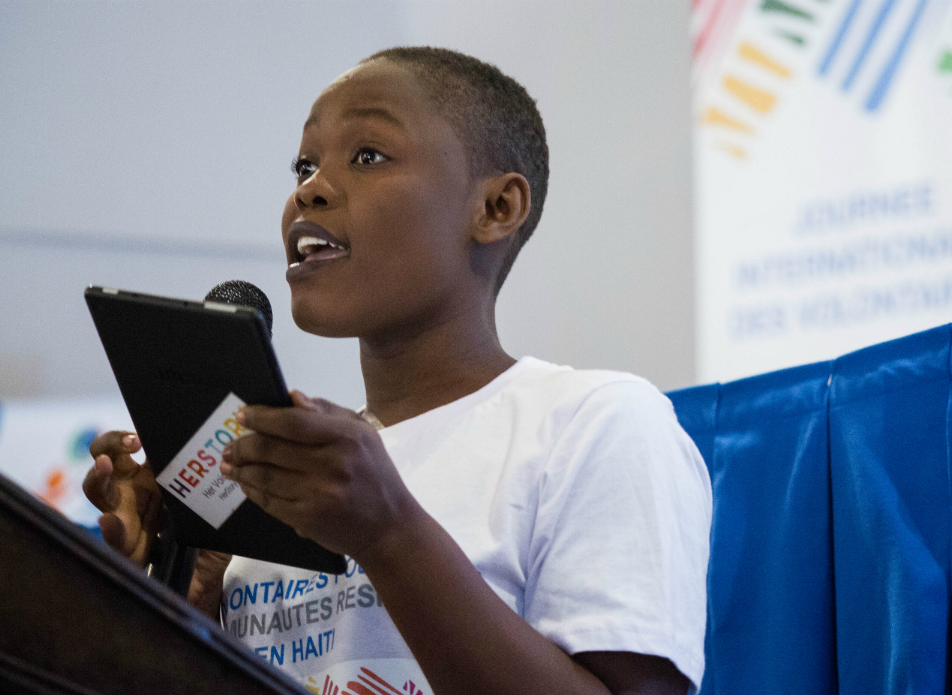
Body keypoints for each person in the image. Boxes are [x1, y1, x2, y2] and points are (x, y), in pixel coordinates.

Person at [84, 46, 711, 695]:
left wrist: (390, 534)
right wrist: (186, 599)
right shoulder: (285, 476)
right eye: (304, 164)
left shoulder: (594, 423)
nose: (309, 189)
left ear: (496, 207)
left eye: (367, 156)